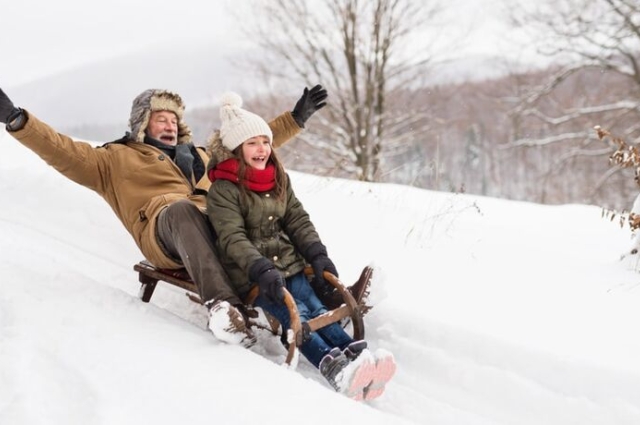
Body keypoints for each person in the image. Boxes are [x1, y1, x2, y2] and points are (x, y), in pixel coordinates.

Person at [0, 84, 327, 347]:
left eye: (174, 119)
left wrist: (296, 118)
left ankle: (317, 287)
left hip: (216, 223)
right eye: (161, 119)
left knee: (260, 208)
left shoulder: (199, 154)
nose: (170, 124)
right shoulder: (113, 159)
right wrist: (17, 119)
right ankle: (223, 307)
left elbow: (248, 143)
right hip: (164, 229)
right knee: (182, 210)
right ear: (142, 123)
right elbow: (61, 149)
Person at [205, 92, 396, 400]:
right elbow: (232, 238)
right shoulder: (224, 190)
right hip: (255, 276)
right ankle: (331, 366)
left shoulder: (277, 178)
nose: (262, 149)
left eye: (265, 141)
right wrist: (260, 267)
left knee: (317, 308)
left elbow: (297, 220)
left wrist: (317, 254)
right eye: (252, 143)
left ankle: (355, 355)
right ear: (236, 150)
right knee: (300, 317)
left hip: (291, 266)